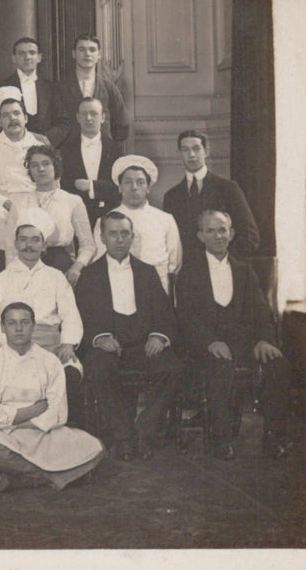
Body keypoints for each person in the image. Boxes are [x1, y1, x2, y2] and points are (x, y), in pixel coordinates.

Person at [0, 302, 104, 491]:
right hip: (2, 434)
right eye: (12, 323)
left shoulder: (50, 361)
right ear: (3, 328)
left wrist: (22, 422)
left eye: (24, 322)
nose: (19, 329)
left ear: (33, 326)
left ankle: (16, 478)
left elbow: (59, 413)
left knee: (95, 448)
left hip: (40, 431)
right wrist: (35, 409)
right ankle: (53, 477)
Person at [175, 210, 291, 460]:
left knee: (278, 365)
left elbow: (261, 311)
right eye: (210, 231)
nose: (218, 236)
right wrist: (210, 342)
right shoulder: (189, 272)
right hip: (206, 347)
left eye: (222, 230)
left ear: (232, 234)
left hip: (243, 343)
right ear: (200, 236)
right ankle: (220, 440)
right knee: (220, 366)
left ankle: (274, 439)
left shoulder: (244, 270)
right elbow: (186, 317)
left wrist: (264, 340)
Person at [77, 211, 182, 461]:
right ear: (103, 238)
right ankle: (123, 437)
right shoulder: (90, 275)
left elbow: (164, 313)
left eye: (125, 233)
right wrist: (100, 337)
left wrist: (158, 337)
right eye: (113, 234)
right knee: (99, 368)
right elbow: (80, 316)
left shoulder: (147, 272)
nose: (120, 239)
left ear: (132, 236)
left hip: (143, 345)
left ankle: (144, 431)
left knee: (173, 368)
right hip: (108, 346)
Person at [0, 208, 85, 421]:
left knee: (69, 374)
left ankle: (59, 428)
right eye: (23, 240)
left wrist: (68, 344)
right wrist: (12, 348)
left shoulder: (56, 277)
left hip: (53, 346)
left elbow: (70, 314)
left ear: (43, 245)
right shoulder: (1, 279)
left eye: (35, 240)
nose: (28, 245)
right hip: (13, 347)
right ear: (15, 244)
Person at [162, 129, 260, 264]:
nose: (191, 154)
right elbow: (170, 241)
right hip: (187, 273)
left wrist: (222, 262)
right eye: (185, 150)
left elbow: (250, 237)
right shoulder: (171, 197)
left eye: (196, 148)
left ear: (206, 151)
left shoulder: (228, 188)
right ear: (179, 154)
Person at [0, 87, 46, 271]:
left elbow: (52, 185)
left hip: (36, 202)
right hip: (5, 206)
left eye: (16, 113)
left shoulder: (40, 146)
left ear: (26, 117)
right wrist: (8, 204)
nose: (12, 118)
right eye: (6, 115)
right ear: (0, 121)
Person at [93, 155, 182, 294]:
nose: (134, 187)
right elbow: (99, 259)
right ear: (120, 187)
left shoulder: (165, 219)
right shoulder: (105, 221)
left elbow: (174, 261)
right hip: (119, 288)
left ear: (148, 187)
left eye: (140, 182)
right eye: (128, 182)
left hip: (158, 289)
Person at [8, 144, 95, 281]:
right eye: (34, 165)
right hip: (26, 264)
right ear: (30, 171)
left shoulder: (72, 201)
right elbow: (10, 248)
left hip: (60, 264)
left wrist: (76, 268)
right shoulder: (19, 203)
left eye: (46, 163)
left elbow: (88, 245)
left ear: (55, 167)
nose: (41, 169)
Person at [0, 37, 70, 147]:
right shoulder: (2, 87)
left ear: (39, 57)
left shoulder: (52, 88)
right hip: (12, 148)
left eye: (32, 53)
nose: (27, 57)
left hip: (44, 150)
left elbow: (63, 122)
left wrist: (46, 139)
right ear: (14, 58)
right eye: (21, 53)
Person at [60, 97, 123, 226]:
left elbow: (120, 186)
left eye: (94, 114)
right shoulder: (65, 149)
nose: (88, 118)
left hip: (110, 216)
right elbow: (64, 186)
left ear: (103, 117)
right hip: (76, 217)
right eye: (84, 114)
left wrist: (91, 186)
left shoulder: (115, 149)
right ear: (78, 118)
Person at [58, 34, 130, 146]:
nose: (87, 54)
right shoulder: (60, 88)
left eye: (92, 50)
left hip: (102, 150)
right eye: (82, 49)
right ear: (74, 54)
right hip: (69, 151)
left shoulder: (109, 88)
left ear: (99, 54)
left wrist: (109, 146)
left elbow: (122, 124)